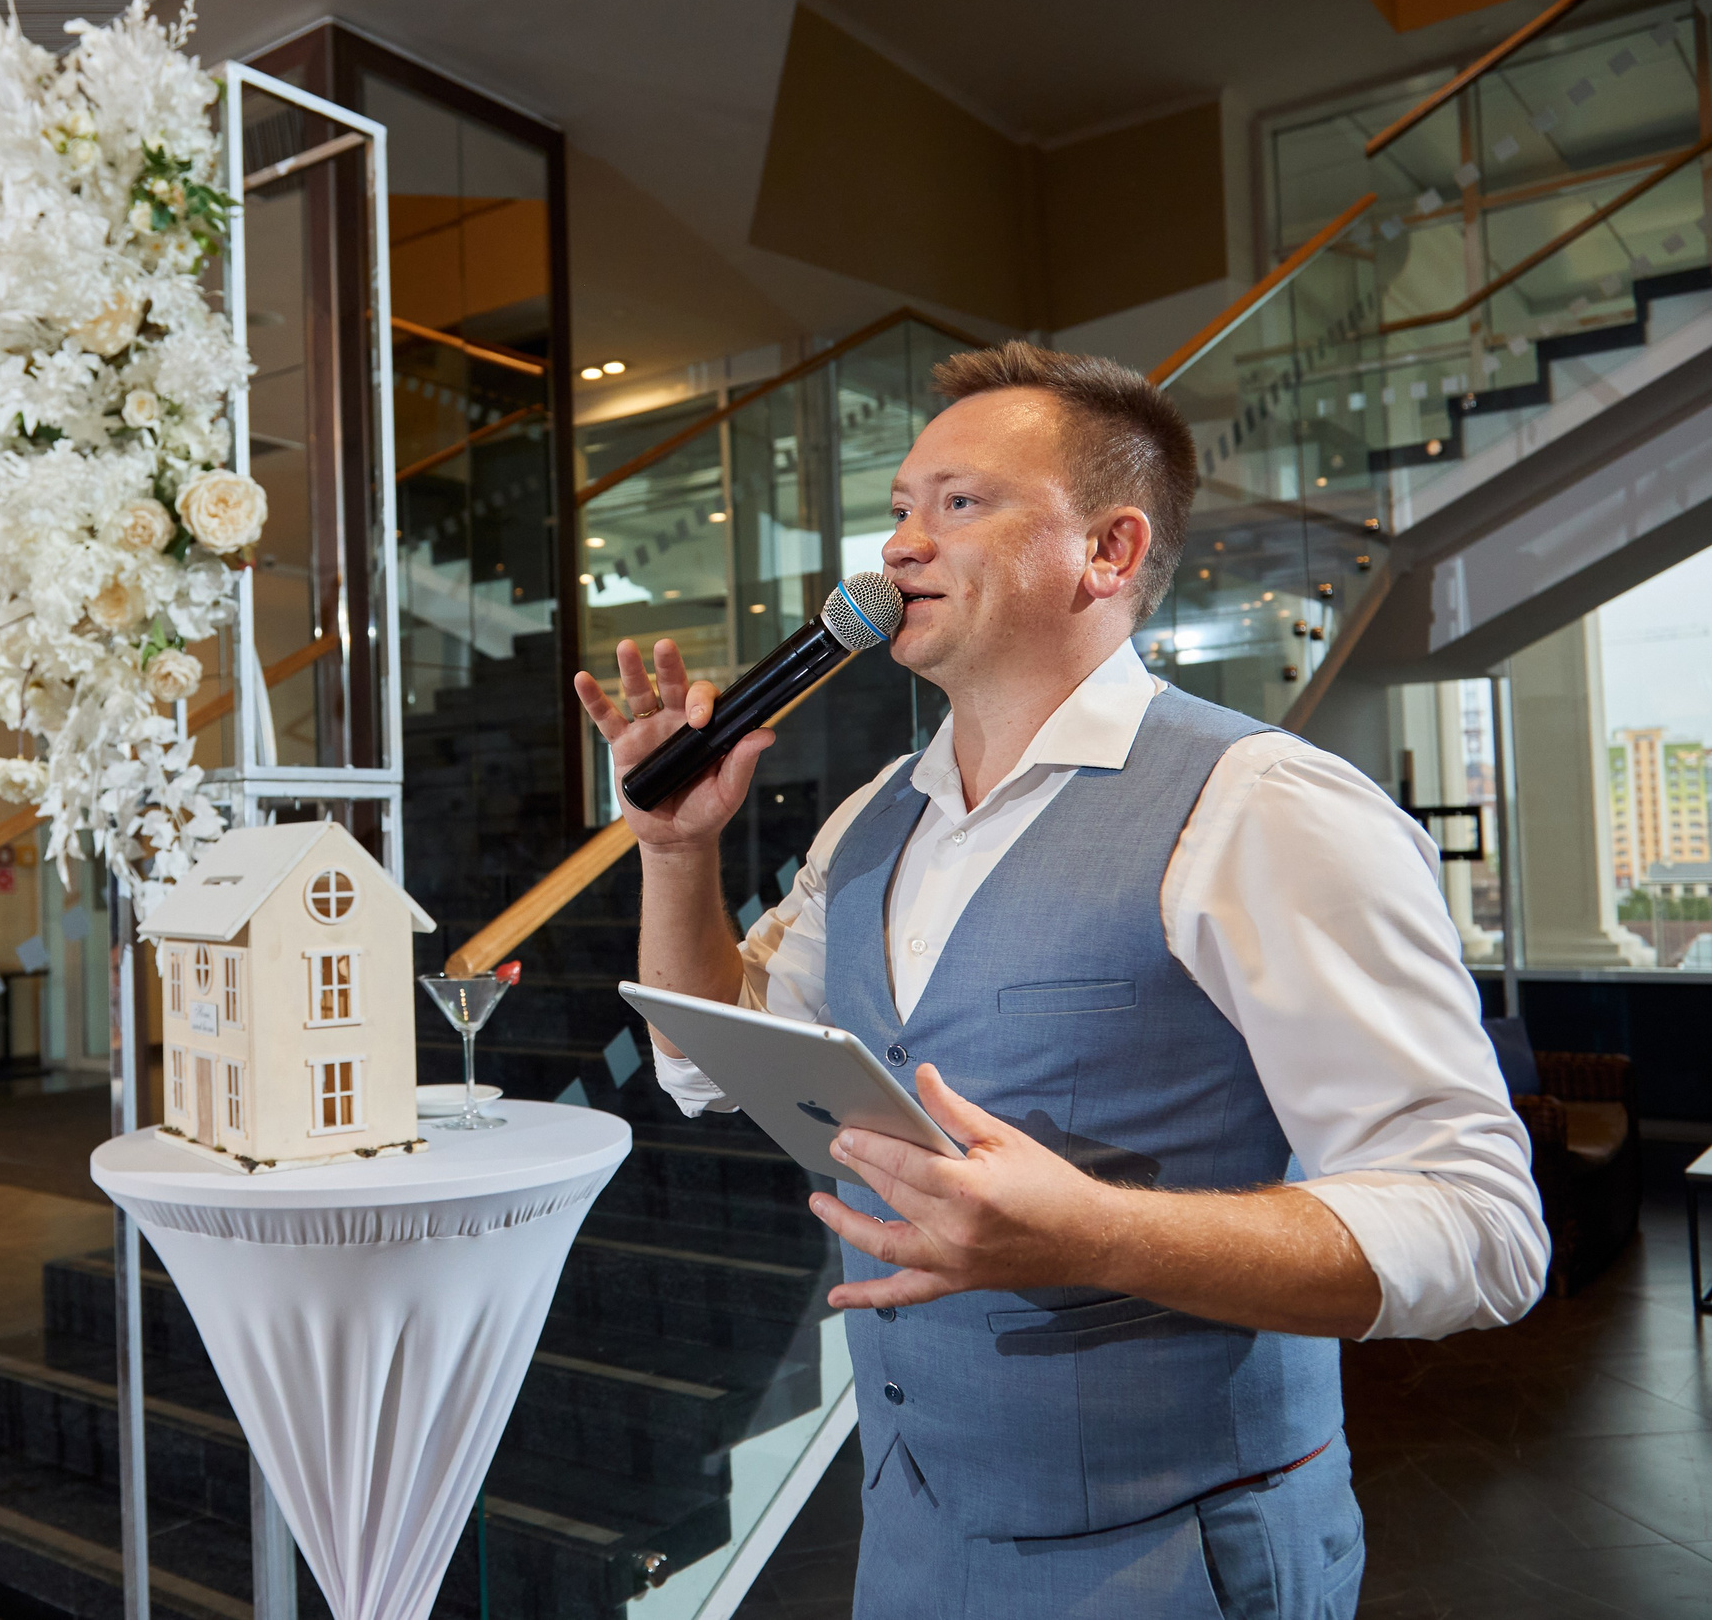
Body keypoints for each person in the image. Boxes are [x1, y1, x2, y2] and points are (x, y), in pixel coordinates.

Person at [574, 343, 1546, 1619]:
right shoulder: (869, 819)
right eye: (899, 510)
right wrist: (680, 853)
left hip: (1175, 1554)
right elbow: (709, 1061)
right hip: (912, 1528)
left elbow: (1481, 1228)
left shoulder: (1267, 809)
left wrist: (1086, 1231)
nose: (898, 552)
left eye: (960, 505)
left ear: (1108, 550)